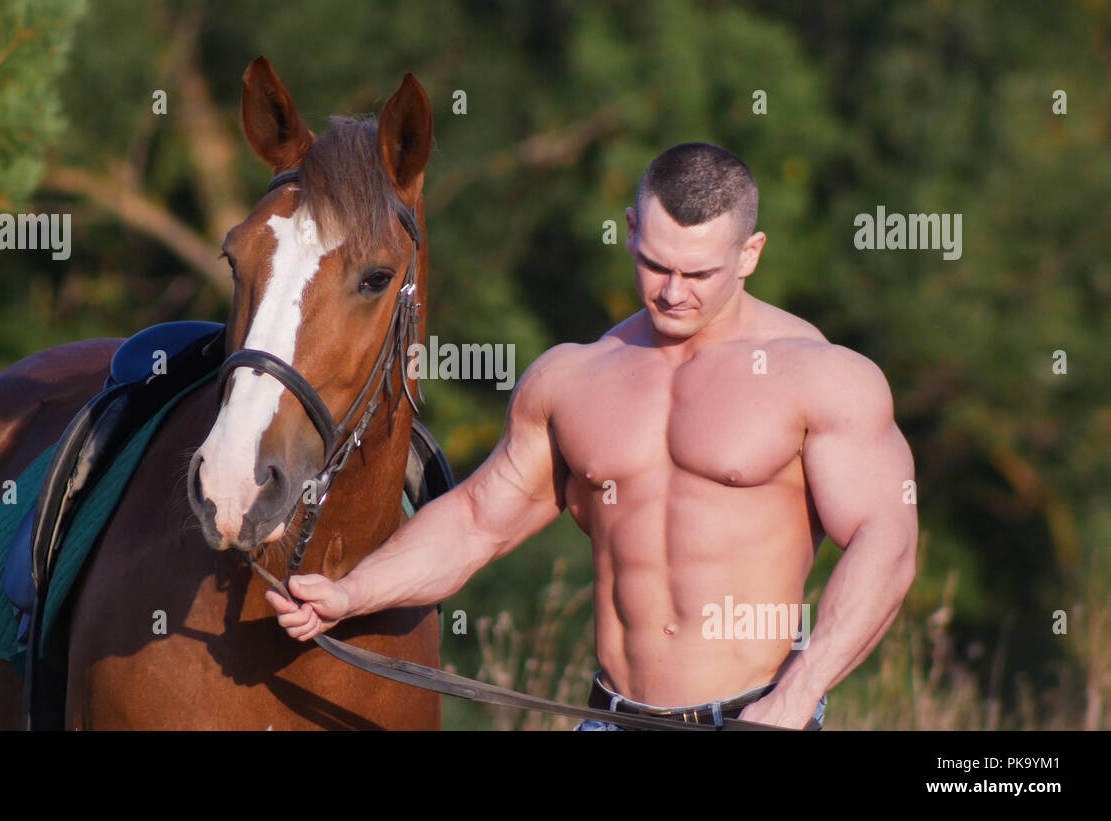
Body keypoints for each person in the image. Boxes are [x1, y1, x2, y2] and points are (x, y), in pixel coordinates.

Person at [265, 142, 918, 730]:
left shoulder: (820, 375)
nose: (672, 293)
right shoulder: (572, 377)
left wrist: (796, 697)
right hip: (608, 718)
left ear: (749, 254)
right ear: (631, 231)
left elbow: (887, 541)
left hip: (757, 716)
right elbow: (476, 520)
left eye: (699, 275)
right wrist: (351, 593)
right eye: (657, 265)